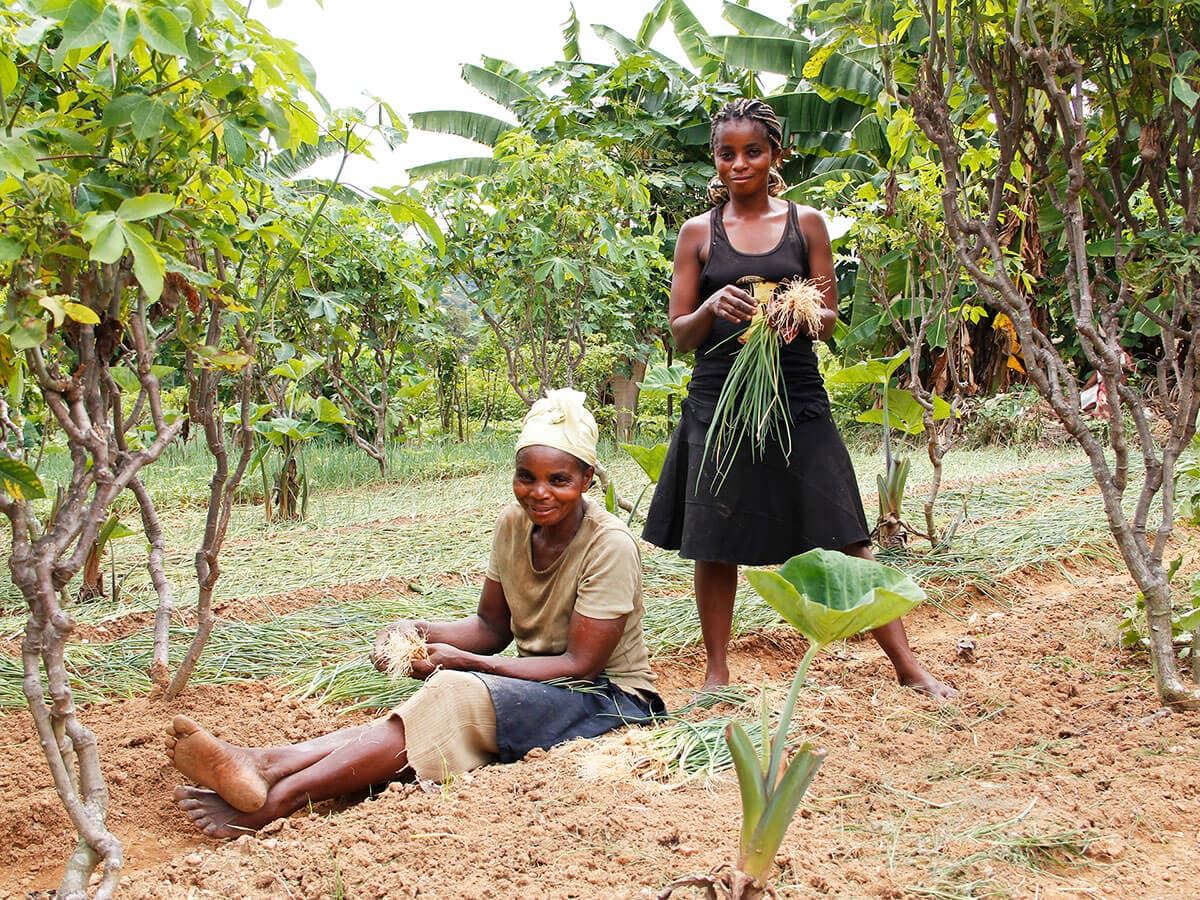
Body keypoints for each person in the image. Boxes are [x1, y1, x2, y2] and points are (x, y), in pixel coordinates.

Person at [167, 389, 665, 838]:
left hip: (609, 702)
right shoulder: (514, 525)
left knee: (452, 692)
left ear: (586, 480)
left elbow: (581, 665)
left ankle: (276, 801)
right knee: (425, 710)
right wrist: (417, 632)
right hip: (539, 687)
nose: (540, 492)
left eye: (559, 480)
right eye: (526, 477)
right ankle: (266, 762)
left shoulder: (609, 545)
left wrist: (471, 665)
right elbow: (491, 628)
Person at [641, 98, 955, 698]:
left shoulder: (805, 223)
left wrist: (799, 311)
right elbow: (680, 333)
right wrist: (711, 308)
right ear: (715, 159)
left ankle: (908, 666)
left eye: (752, 152)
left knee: (846, 528)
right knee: (715, 538)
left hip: (795, 394)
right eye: (726, 153)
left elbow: (832, 318)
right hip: (720, 396)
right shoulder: (697, 235)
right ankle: (716, 674)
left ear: (776, 156)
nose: (739, 164)